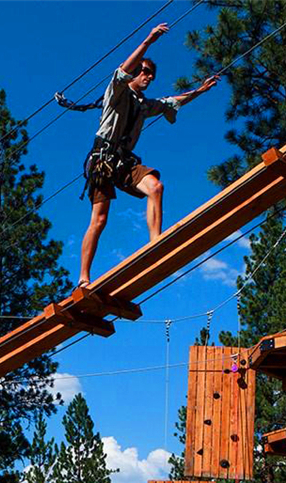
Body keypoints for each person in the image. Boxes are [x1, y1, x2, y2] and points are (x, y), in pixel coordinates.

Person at [77, 23, 220, 286]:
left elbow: (172, 102)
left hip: (124, 162)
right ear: (134, 72)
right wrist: (149, 40)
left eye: (152, 74)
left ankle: (155, 242)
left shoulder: (144, 105)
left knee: (155, 186)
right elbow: (122, 70)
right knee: (99, 219)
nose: (149, 77)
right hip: (102, 161)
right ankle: (83, 277)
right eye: (144, 72)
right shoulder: (116, 92)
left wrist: (200, 91)